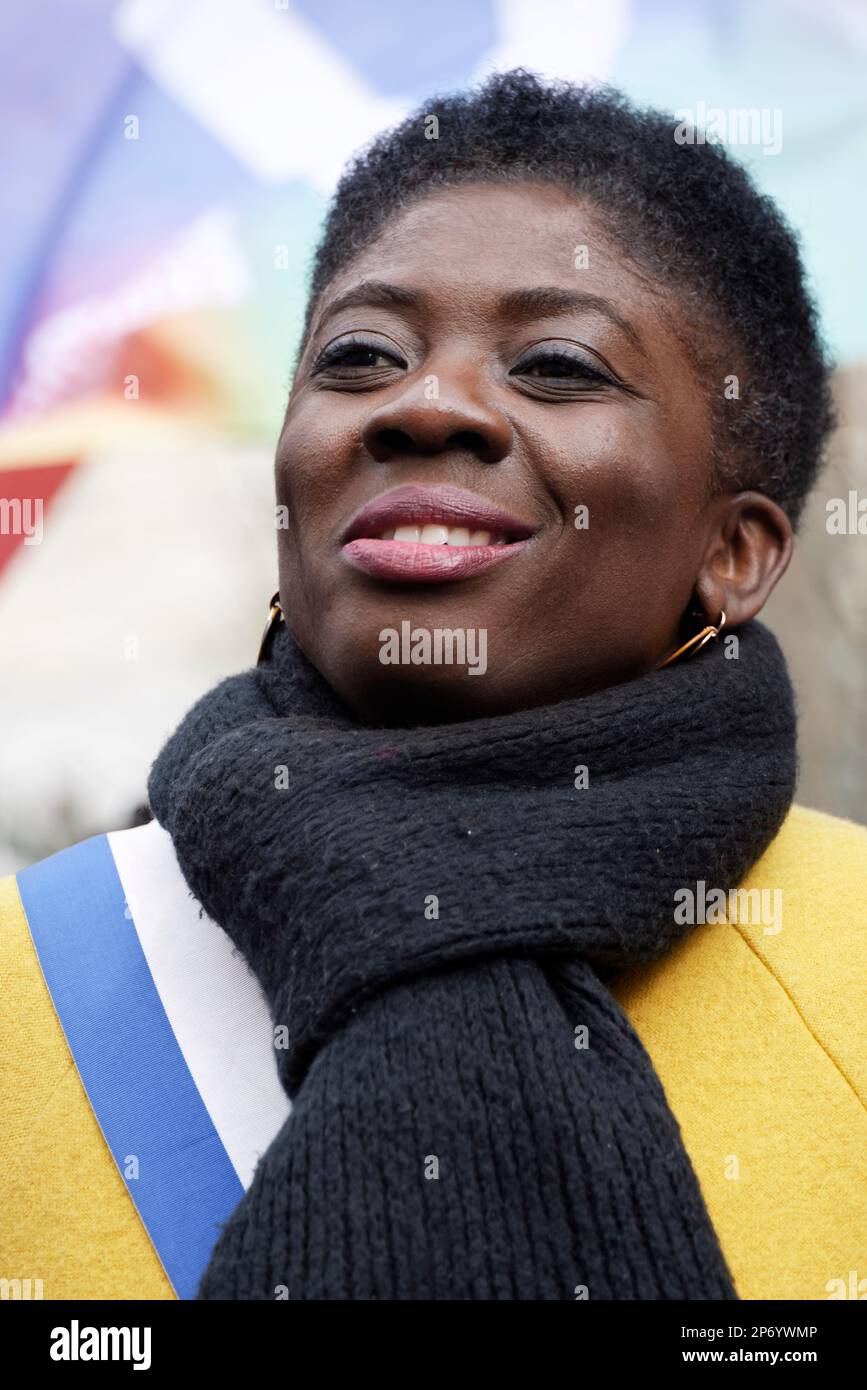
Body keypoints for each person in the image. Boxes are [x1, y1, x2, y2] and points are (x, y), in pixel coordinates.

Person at [2, 70, 865, 1302]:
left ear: (735, 552)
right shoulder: (31, 976)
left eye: (559, 364)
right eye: (362, 354)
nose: (426, 403)